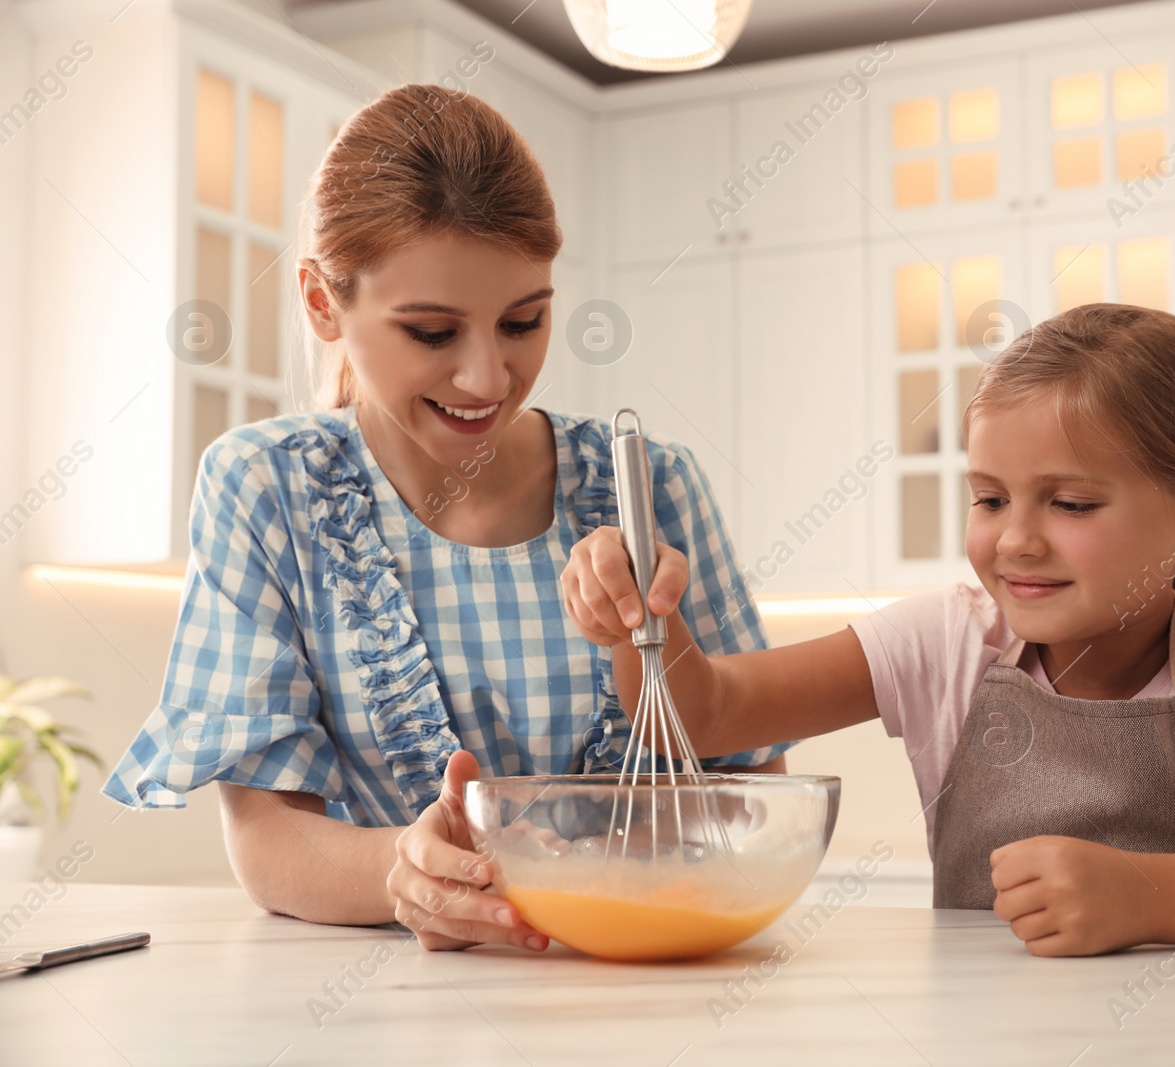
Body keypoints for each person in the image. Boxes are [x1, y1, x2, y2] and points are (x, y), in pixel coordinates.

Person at [562, 303, 1175, 957]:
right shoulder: (949, 642)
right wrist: (641, 624)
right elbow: (711, 713)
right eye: (988, 497)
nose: (1015, 539)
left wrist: (1148, 900)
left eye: (1068, 501)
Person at [101, 83, 791, 951]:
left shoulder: (649, 486)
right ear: (322, 302)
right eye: (432, 332)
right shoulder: (266, 488)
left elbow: (751, 778)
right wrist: (409, 869)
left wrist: (651, 637)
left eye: (522, 322)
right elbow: (268, 838)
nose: (488, 378)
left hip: (635, 987)